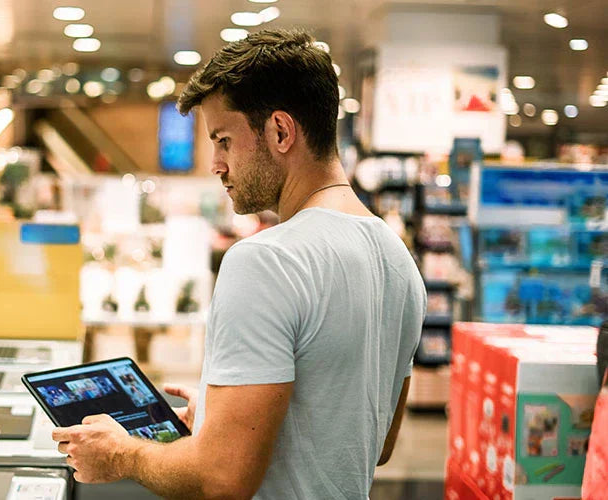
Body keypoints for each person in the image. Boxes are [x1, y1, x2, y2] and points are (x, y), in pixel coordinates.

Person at [51, 28, 426, 499]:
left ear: (280, 132)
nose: (215, 164)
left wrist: (122, 453)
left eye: (224, 140)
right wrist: (223, 423)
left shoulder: (266, 260)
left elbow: (221, 479)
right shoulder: (398, 261)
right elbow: (373, 444)